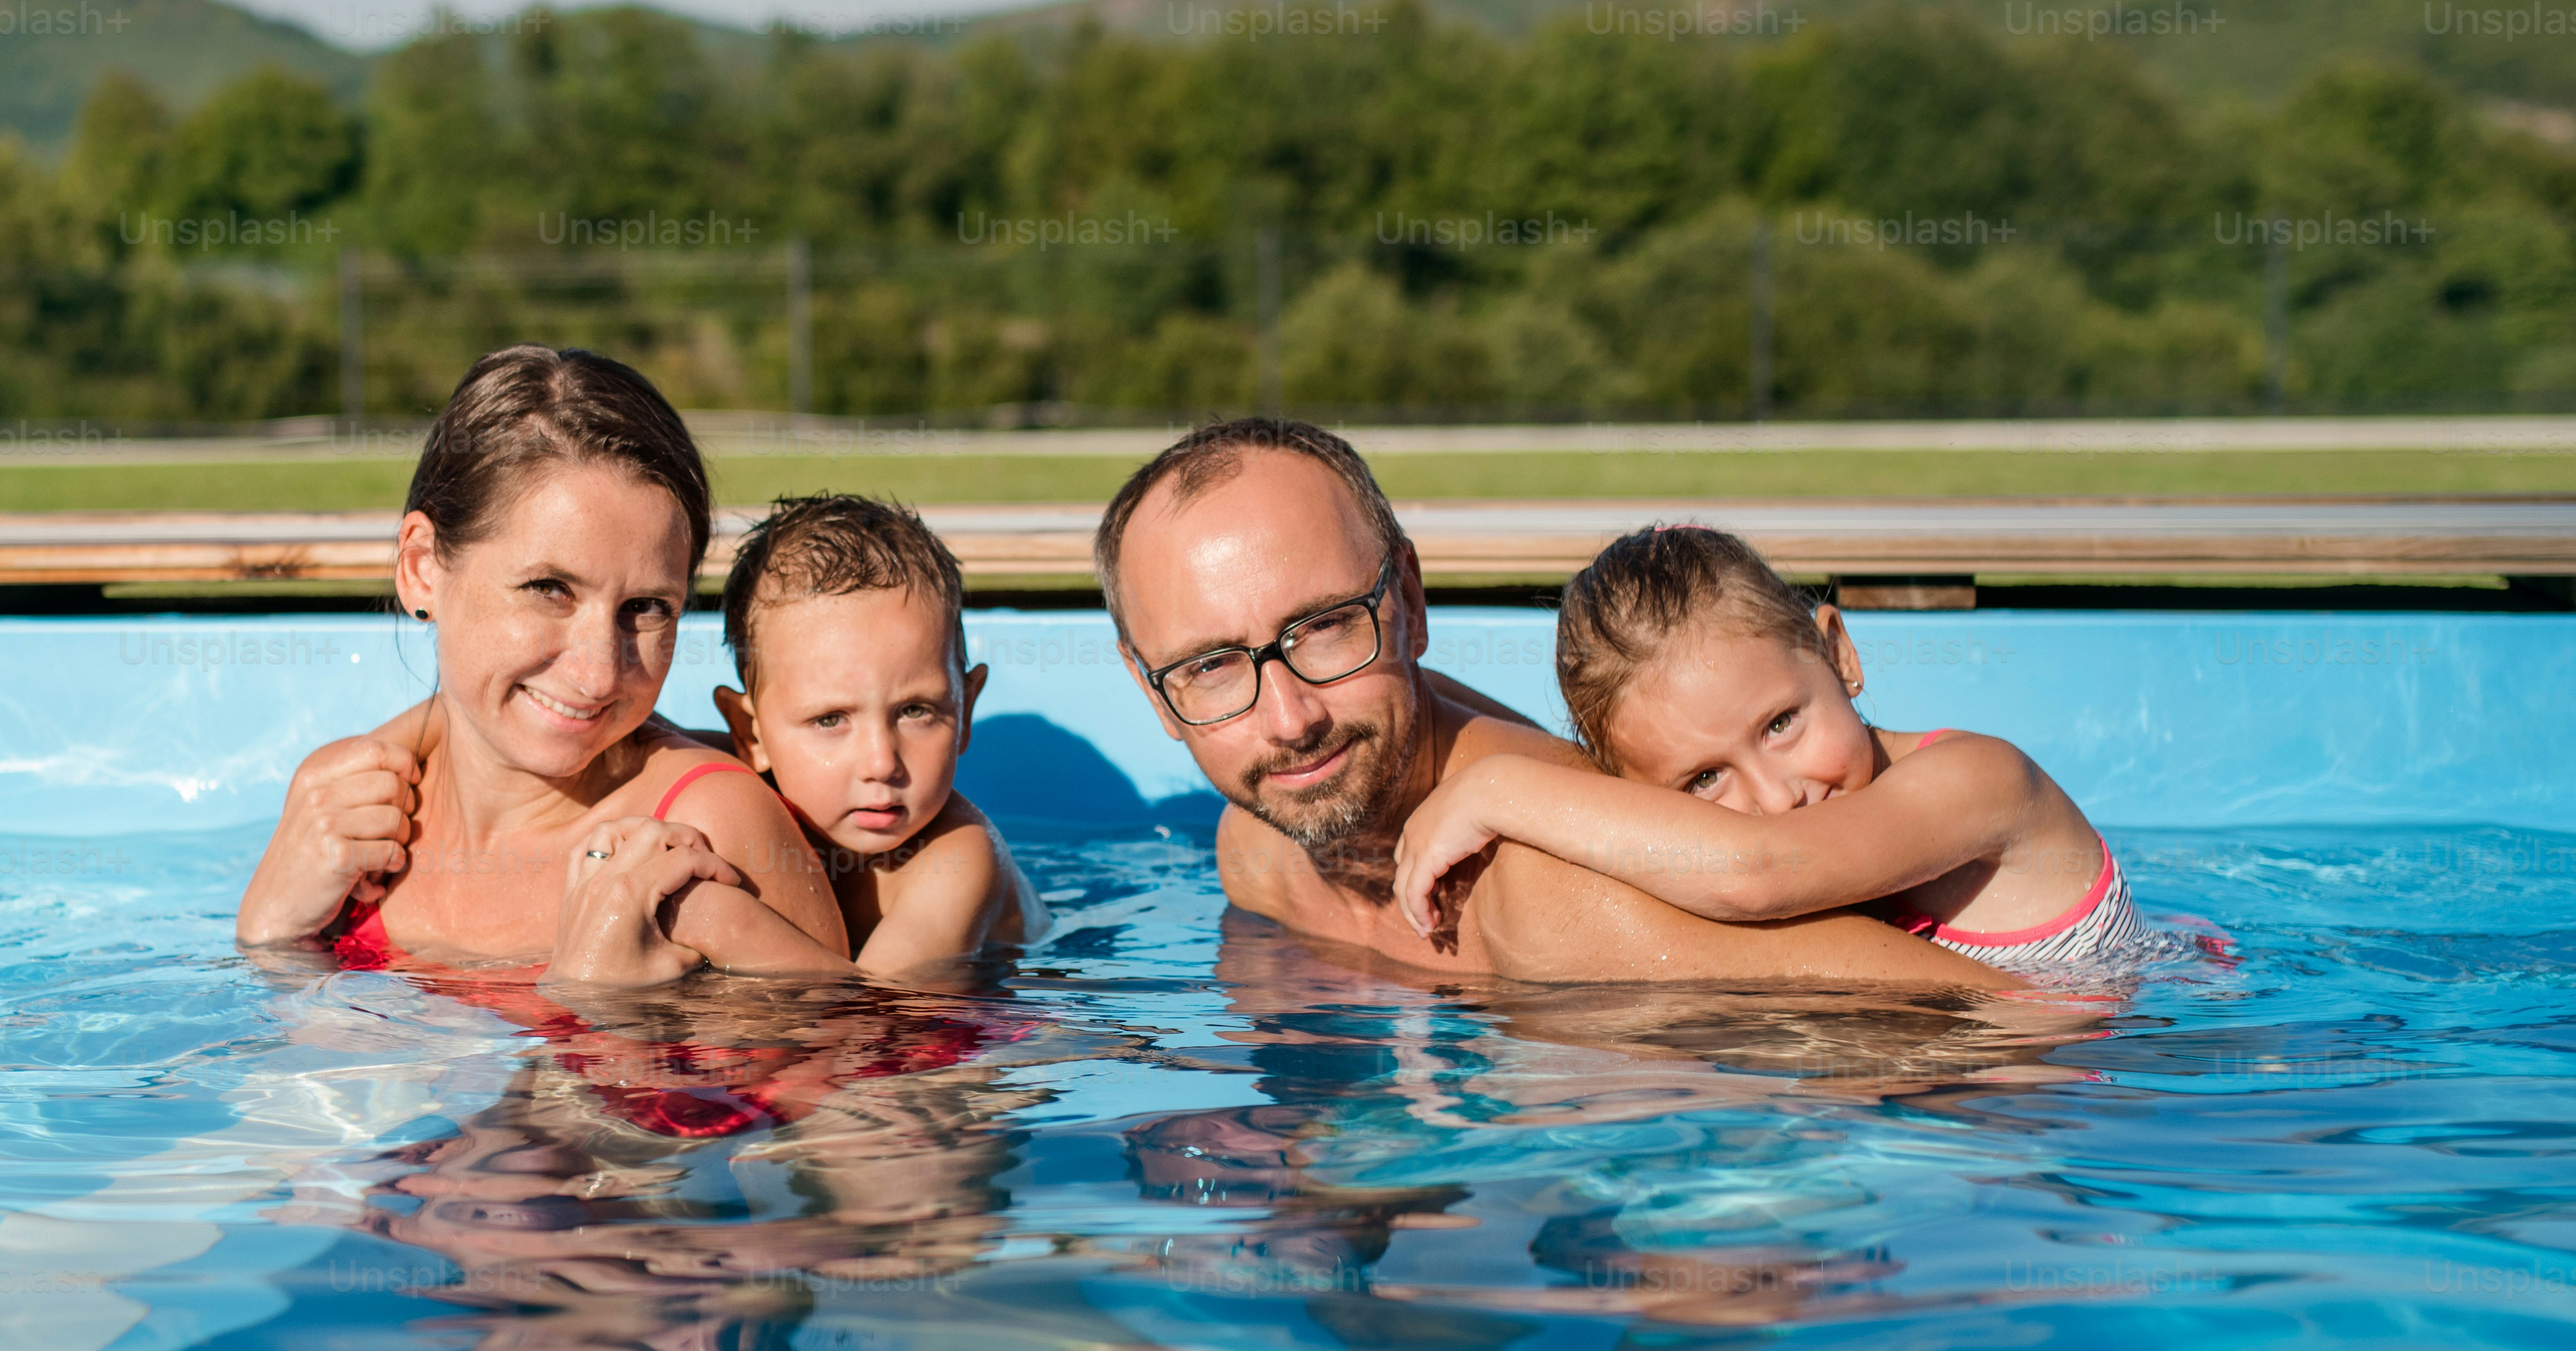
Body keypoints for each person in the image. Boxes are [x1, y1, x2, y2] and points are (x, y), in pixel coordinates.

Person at [1092, 418, 2009, 990]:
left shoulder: (1552, 894)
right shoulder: (1256, 847)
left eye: (1326, 627)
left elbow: (2013, 1025)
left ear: (1409, 601)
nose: (1289, 720)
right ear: (1151, 691)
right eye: (1211, 666)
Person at [235, 345, 848, 978]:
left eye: (645, 606)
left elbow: (859, 1068)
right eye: (550, 589)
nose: (598, 673)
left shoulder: (712, 826)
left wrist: (601, 1007)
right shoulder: (344, 809)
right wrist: (269, 928)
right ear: (421, 567)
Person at [1391, 521, 2144, 986]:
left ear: (1837, 653)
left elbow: (1756, 870)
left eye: (1780, 724)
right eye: (1706, 779)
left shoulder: (1976, 782)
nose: (1776, 798)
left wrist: (1491, 789)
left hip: (2124, 1080)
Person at [707, 494, 1041, 977]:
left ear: (965, 711)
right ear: (748, 733)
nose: (882, 763)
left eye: (914, 711)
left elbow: (878, 1027)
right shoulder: (732, 786)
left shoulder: (957, 861)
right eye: (830, 720)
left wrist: (721, 925)